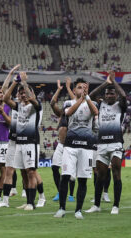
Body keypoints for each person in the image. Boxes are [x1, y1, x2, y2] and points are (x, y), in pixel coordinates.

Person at [54, 78, 99, 219]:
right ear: (74, 90)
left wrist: (87, 98)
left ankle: (78, 210)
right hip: (70, 146)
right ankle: (61, 208)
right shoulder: (69, 103)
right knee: (65, 176)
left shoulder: (93, 103)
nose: (82, 90)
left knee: (83, 179)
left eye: (84, 87)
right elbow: (68, 113)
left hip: (86, 147)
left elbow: (95, 111)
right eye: (79, 87)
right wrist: (81, 100)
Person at [1, 72, 45, 210]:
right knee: (24, 173)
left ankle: (32, 203)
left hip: (31, 143)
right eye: (21, 93)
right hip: (19, 144)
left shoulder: (36, 107)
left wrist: (24, 83)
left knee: (31, 172)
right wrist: (15, 82)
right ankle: (28, 202)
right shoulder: (19, 106)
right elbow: (6, 98)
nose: (23, 94)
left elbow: (33, 99)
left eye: (25, 92)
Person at [85, 71, 126, 214]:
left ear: (116, 95)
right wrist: (105, 83)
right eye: (107, 93)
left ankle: (116, 205)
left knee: (116, 173)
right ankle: (96, 205)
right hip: (101, 144)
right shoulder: (100, 105)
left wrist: (114, 82)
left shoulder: (121, 105)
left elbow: (125, 96)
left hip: (116, 144)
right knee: (100, 175)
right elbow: (88, 97)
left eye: (112, 93)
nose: (109, 95)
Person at [0, 64, 22, 207]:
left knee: (28, 172)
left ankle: (38, 197)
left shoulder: (28, 107)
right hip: (13, 140)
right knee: (9, 169)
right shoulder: (13, 104)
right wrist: (10, 74)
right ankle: (5, 201)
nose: (19, 95)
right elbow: (4, 91)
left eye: (21, 93)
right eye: (18, 93)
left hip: (26, 140)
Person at [50, 77, 76, 202]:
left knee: (70, 173)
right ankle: (60, 192)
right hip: (61, 145)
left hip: (71, 145)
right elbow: (52, 103)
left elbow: (76, 101)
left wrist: (68, 88)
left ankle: (70, 194)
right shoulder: (61, 115)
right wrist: (59, 90)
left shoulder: (75, 115)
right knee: (55, 167)